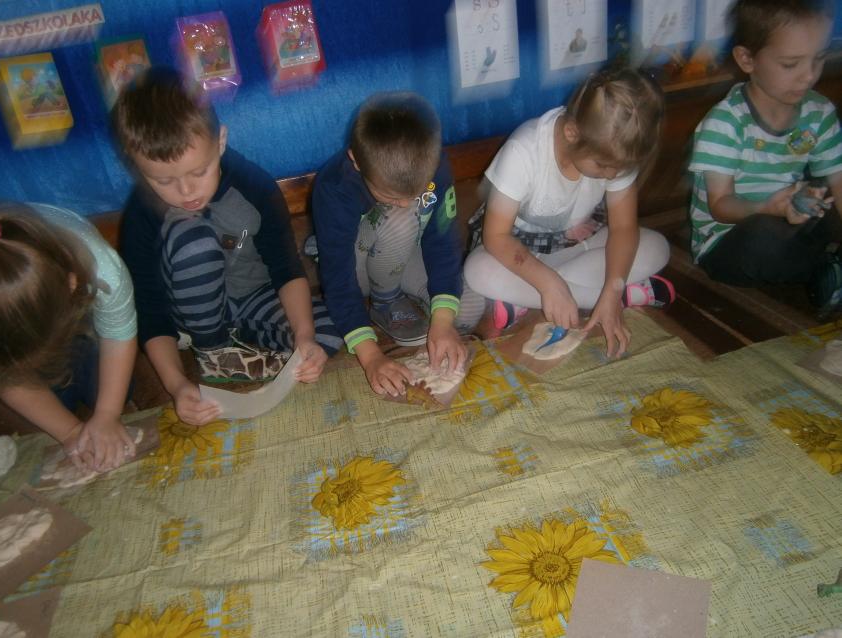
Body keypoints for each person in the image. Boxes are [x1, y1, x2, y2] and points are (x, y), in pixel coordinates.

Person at [111, 67, 341, 426]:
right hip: (190, 316)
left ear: (220, 142)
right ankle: (212, 350)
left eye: (198, 172)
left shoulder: (255, 186)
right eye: (163, 181)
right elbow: (150, 312)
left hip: (251, 299)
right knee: (192, 235)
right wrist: (176, 384)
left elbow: (286, 269)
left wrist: (305, 337)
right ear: (136, 164)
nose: (186, 192)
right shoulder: (142, 215)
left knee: (328, 331)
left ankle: (238, 346)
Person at [463, 68, 673, 358]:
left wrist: (612, 288)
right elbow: (496, 238)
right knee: (478, 270)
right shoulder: (523, 150)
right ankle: (610, 296)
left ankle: (529, 299)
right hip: (517, 250)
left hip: (574, 244)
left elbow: (624, 228)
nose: (611, 175)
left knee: (656, 246)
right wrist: (549, 283)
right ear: (572, 133)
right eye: (603, 166)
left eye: (620, 169)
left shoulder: (615, 151)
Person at [311, 92, 485, 397]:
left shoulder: (435, 164)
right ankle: (384, 300)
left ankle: (401, 295)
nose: (407, 202)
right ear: (356, 161)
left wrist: (443, 322)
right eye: (391, 195)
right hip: (356, 265)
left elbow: (443, 242)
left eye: (416, 192)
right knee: (402, 218)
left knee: (469, 308)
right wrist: (371, 356)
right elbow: (338, 280)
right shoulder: (334, 187)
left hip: (400, 250)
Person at [688, 0, 842, 319]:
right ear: (747, 59)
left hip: (788, 217)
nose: (809, 76)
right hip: (730, 237)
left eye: (818, 59)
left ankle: (824, 267)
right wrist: (767, 207)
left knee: (824, 197)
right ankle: (821, 270)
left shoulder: (819, 112)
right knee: (763, 239)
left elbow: (838, 179)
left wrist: (805, 202)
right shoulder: (724, 123)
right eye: (790, 64)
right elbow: (720, 205)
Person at [0, 201, 137, 472]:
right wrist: (70, 431)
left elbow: (118, 337)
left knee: (109, 389)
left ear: (72, 284)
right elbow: (4, 377)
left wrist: (107, 414)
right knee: (51, 408)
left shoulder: (105, 269)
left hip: (83, 309)